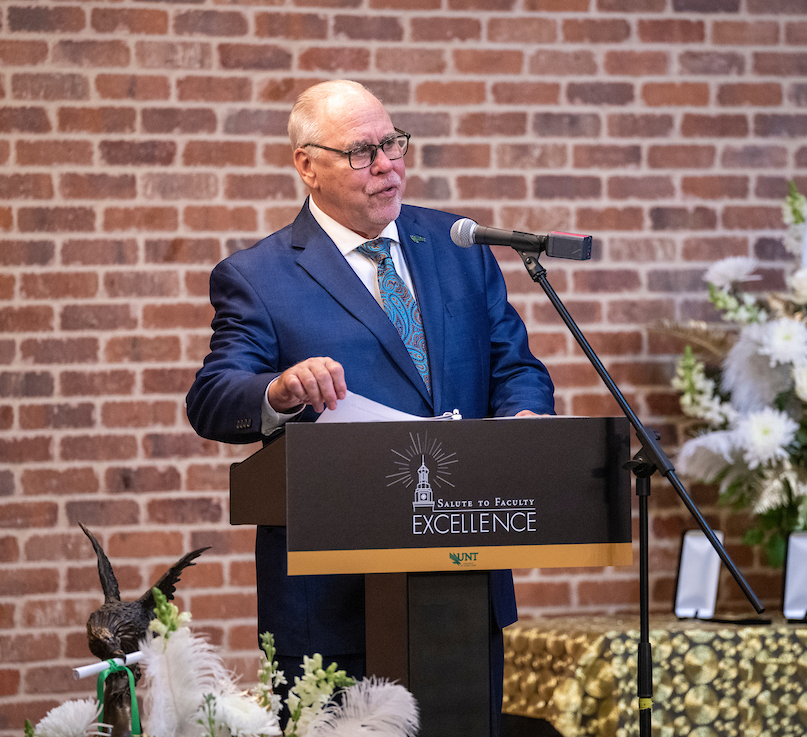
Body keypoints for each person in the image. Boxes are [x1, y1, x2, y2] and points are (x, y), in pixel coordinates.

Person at [186, 80, 555, 695]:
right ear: (307, 165)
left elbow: (515, 366)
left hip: (462, 580)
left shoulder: (458, 247)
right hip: (331, 603)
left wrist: (522, 420)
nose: (387, 165)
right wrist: (277, 391)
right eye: (362, 152)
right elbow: (213, 397)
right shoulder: (259, 276)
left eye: (392, 143)